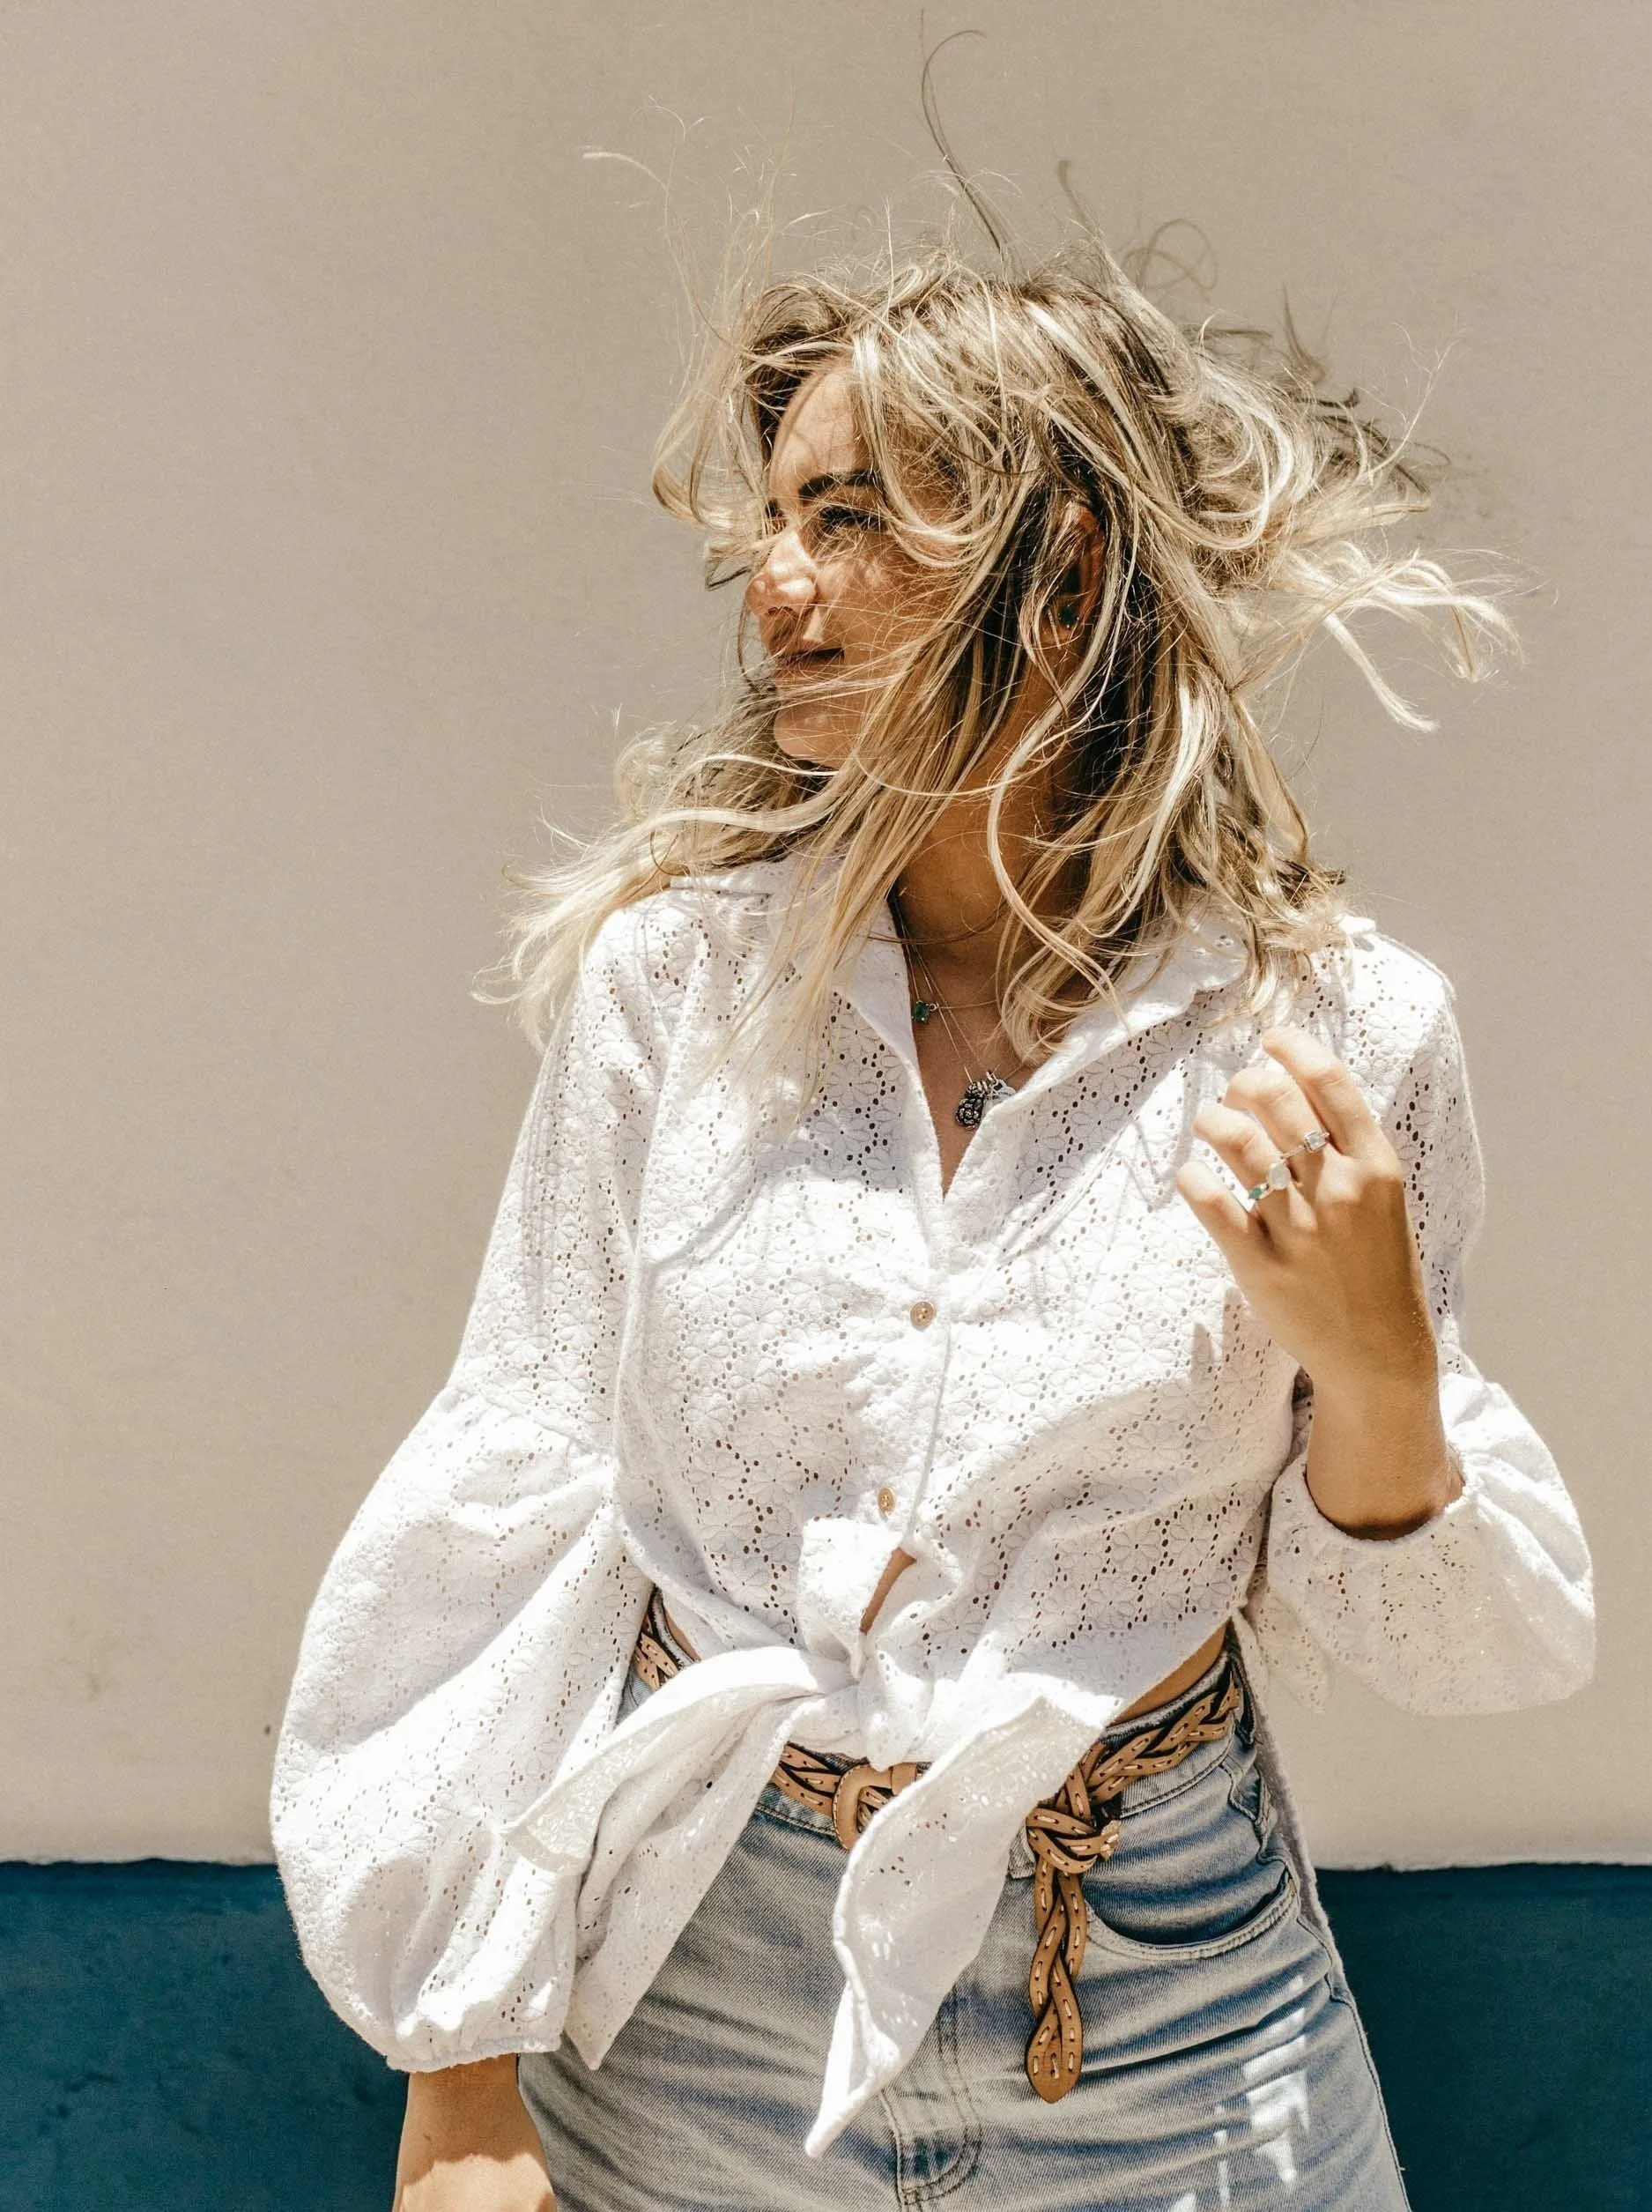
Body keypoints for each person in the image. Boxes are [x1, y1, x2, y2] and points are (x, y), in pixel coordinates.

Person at [271, 217, 1595, 2212]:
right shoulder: (676, 993)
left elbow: (1463, 1651)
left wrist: (1377, 1372)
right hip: (699, 2000)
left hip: (1169, 2008)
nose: (772, 583)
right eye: (773, 520)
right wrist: (456, 2077)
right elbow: (519, 1484)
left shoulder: (1335, 1032)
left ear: (1057, 572)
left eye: (849, 518)